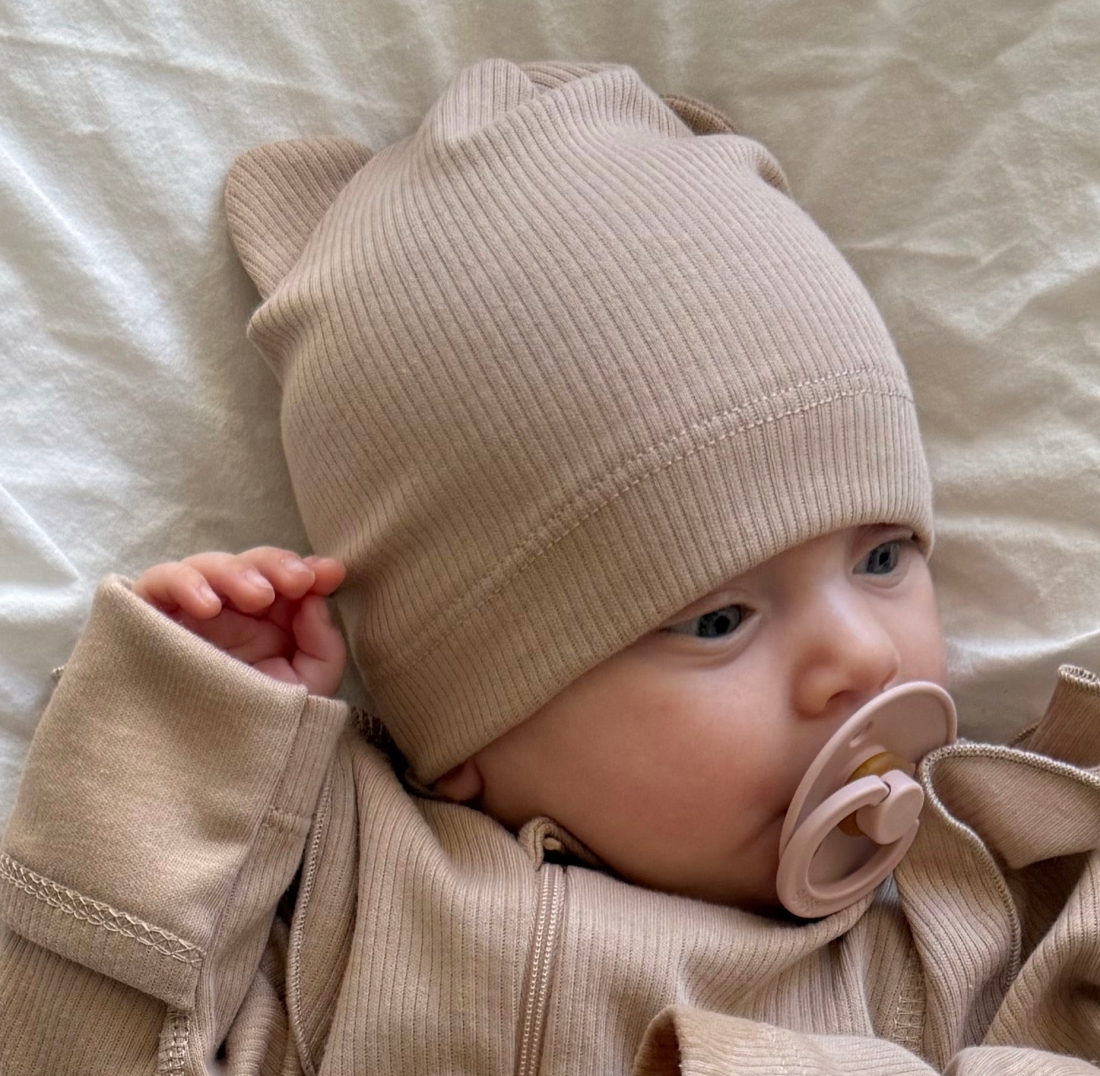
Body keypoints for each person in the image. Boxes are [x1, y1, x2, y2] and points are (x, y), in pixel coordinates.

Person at [2, 58, 1099, 1075]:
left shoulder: (968, 929)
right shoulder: (344, 895)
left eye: (881, 555)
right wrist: (186, 746)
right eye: (716, 619)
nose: (860, 656)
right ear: (470, 728)